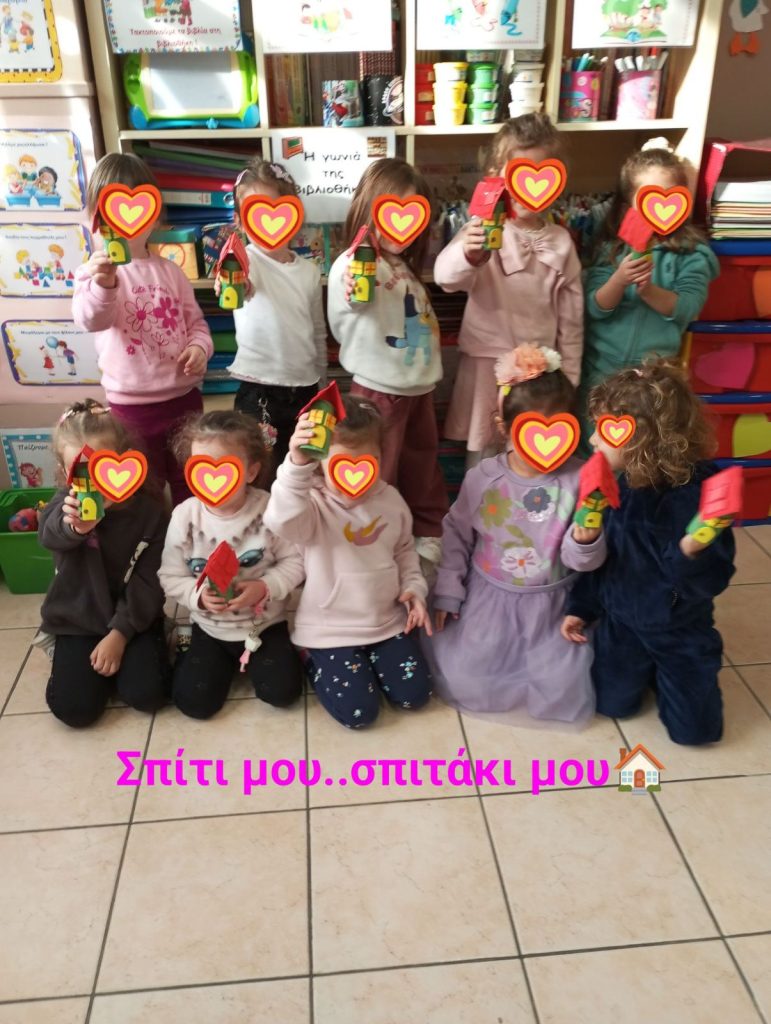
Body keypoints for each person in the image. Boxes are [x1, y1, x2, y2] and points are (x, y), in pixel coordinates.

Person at [427, 345, 605, 723]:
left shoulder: (579, 479)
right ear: (504, 427)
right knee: (469, 681)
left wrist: (586, 539)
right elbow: (456, 536)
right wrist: (448, 591)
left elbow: (584, 562)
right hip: (491, 601)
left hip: (554, 605)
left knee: (561, 689)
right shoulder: (483, 478)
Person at [562, 361, 736, 745]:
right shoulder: (621, 485)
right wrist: (582, 607)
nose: (593, 440)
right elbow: (607, 561)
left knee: (695, 733)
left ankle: (668, 673)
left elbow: (713, 581)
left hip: (679, 630)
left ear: (642, 441)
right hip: (621, 623)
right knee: (612, 705)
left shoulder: (695, 497)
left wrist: (691, 549)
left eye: (604, 430)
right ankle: (649, 672)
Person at [264, 395, 434, 728]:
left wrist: (415, 588)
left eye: (369, 461)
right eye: (341, 463)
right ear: (320, 463)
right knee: (359, 714)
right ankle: (310, 658)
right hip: (329, 631)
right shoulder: (311, 503)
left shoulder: (390, 499)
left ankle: (371, 660)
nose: (356, 476)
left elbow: (404, 550)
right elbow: (281, 521)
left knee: (415, 696)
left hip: (386, 622)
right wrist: (296, 465)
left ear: (381, 456)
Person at [435, 114, 583, 469]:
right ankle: (478, 502)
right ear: (497, 175)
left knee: (531, 453)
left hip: (540, 371)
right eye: (518, 173)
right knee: (483, 450)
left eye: (542, 173)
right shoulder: (482, 229)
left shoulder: (561, 241)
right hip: (487, 364)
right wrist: (469, 255)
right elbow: (445, 278)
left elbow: (572, 319)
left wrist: (569, 380)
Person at [72, 153, 213, 505]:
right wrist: (104, 285)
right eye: (113, 213)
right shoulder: (92, 274)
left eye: (140, 211)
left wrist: (199, 348)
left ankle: (189, 531)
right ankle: (150, 536)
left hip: (183, 399)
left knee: (191, 480)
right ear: (96, 220)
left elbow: (196, 323)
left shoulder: (171, 271)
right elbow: (91, 319)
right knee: (141, 490)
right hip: (131, 408)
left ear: (154, 216)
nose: (128, 223)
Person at [326, 158, 447, 567]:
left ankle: (426, 533)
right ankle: (377, 543)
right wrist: (355, 286)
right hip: (379, 391)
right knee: (379, 473)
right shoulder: (355, 264)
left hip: (418, 387)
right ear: (369, 210)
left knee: (422, 466)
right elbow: (352, 303)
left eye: (414, 215)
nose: (402, 227)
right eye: (392, 213)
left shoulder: (403, 266)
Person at [159, 410, 305, 719]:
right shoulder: (185, 516)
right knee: (194, 703)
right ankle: (191, 648)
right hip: (209, 628)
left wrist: (265, 587)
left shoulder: (270, 510)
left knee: (283, 693)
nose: (211, 479)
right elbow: (170, 575)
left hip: (264, 625)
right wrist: (196, 596)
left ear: (251, 472)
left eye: (226, 468)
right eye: (199, 468)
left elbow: (295, 562)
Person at [39, 400, 169, 728]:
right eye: (80, 471)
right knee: (75, 711)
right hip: (77, 618)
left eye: (102, 467)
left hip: (133, 617)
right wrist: (75, 529)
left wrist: (120, 634)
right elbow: (50, 535)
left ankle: (134, 652)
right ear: (65, 472)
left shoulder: (150, 514)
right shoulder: (64, 507)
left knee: (148, 695)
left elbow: (150, 580)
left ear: (125, 462)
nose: (94, 481)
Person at [581, 139, 719, 444]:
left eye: (670, 197)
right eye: (648, 199)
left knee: (641, 449)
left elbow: (688, 308)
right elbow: (593, 307)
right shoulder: (611, 248)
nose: (659, 208)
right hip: (602, 372)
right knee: (597, 446)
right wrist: (619, 280)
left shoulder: (691, 254)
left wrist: (649, 291)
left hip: (653, 380)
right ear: (628, 205)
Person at [225, 158, 327, 478]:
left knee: (305, 468)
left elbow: (318, 331)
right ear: (241, 221)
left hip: (306, 388)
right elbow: (232, 285)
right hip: (259, 390)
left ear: (294, 215)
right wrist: (234, 282)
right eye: (254, 212)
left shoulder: (309, 272)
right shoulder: (242, 261)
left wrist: (323, 383)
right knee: (260, 472)